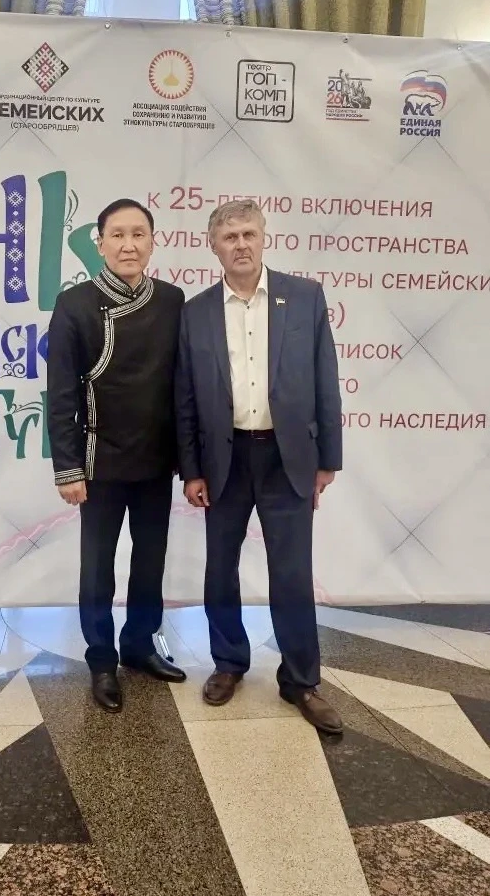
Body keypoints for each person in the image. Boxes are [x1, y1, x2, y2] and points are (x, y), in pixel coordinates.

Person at [175, 199, 343, 734]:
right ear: (214, 247)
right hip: (223, 459)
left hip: (287, 457)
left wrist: (328, 460)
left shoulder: (305, 297)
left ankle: (301, 680)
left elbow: (325, 379)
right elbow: (185, 397)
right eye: (230, 237)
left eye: (249, 233)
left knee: (291, 572)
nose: (241, 244)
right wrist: (191, 470)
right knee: (220, 568)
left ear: (264, 237)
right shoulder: (195, 312)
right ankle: (228, 663)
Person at [47, 198, 187, 712]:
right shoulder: (75, 304)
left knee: (150, 562)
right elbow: (61, 392)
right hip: (98, 462)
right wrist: (68, 468)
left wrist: (189, 462)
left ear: (152, 242)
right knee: (98, 569)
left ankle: (140, 645)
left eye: (139, 234)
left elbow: (183, 387)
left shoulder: (172, 300)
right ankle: (102, 660)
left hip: (156, 460)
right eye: (118, 235)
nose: (129, 245)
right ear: (100, 243)